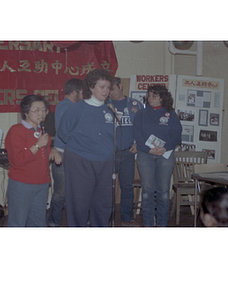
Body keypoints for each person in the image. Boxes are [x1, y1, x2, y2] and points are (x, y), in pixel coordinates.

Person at [57, 69, 115, 227]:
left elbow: (114, 136)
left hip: (105, 162)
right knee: (79, 203)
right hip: (80, 161)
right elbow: (63, 133)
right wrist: (82, 146)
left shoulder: (110, 109)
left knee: (103, 204)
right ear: (91, 87)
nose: (105, 91)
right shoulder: (76, 109)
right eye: (102, 87)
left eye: (108, 87)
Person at [5, 94, 59, 227]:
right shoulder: (16, 130)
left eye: (44, 110)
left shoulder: (42, 132)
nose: (41, 114)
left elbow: (42, 156)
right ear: (25, 112)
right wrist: (38, 145)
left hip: (42, 183)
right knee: (17, 223)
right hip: (22, 185)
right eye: (36, 110)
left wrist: (52, 150)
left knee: (38, 223)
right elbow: (17, 160)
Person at [133, 85, 182, 227]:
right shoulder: (141, 114)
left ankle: (162, 225)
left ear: (162, 97)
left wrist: (165, 148)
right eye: (149, 95)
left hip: (165, 156)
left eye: (154, 96)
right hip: (145, 156)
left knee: (163, 192)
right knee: (147, 192)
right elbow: (137, 135)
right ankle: (148, 224)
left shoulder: (171, 114)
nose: (150, 98)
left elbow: (177, 136)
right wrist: (149, 151)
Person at [108, 77, 143, 226]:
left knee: (127, 187)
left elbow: (143, 126)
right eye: (107, 89)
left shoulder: (135, 104)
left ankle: (127, 217)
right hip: (109, 153)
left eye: (112, 89)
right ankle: (104, 217)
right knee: (105, 186)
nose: (109, 92)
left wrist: (139, 143)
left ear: (120, 86)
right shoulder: (104, 105)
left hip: (128, 152)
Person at [47, 78, 83, 226]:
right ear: (75, 93)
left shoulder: (75, 106)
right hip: (62, 153)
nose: (84, 95)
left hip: (75, 154)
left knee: (76, 191)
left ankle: (74, 221)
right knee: (61, 192)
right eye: (82, 92)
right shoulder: (65, 107)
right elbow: (65, 131)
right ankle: (54, 221)